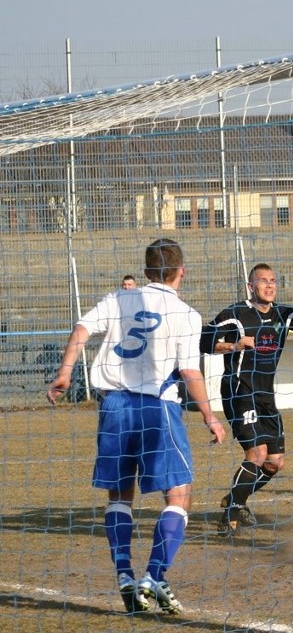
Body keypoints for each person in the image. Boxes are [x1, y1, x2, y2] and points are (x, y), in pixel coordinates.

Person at [47, 238, 226, 614]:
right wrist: (210, 415)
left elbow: (81, 331)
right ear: (182, 272)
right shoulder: (185, 314)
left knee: (119, 495)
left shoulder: (118, 299)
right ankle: (155, 575)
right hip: (157, 407)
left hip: (114, 406)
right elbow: (189, 371)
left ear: (145, 273)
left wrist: (65, 373)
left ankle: (125, 576)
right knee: (179, 495)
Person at [200, 263, 293, 537]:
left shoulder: (284, 315)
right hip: (239, 391)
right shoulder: (235, 315)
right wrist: (234, 345)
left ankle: (235, 500)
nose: (269, 286)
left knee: (275, 462)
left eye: (273, 281)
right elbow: (202, 342)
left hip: (266, 395)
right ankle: (229, 518)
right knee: (257, 455)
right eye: (262, 281)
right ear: (250, 286)